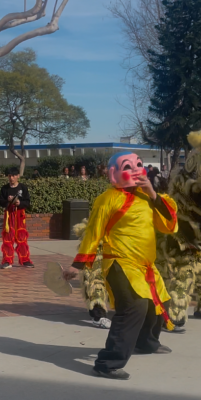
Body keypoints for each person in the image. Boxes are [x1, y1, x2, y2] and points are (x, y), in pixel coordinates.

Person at [63, 151, 178, 381]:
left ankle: (146, 343)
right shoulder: (108, 199)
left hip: (145, 265)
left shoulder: (147, 197)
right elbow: (94, 232)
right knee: (133, 307)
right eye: (128, 166)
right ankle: (107, 362)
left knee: (158, 303)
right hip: (119, 263)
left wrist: (153, 193)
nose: (136, 169)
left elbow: (169, 223)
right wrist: (79, 264)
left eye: (139, 164)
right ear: (114, 174)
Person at [0, 167, 34, 269]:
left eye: (13, 176)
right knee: (8, 239)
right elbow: (1, 202)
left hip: (20, 215)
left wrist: (19, 203)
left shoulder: (23, 188)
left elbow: (27, 202)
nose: (11, 178)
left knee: (22, 238)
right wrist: (8, 200)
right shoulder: (4, 188)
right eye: (9, 176)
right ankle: (7, 260)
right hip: (9, 215)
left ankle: (25, 260)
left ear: (18, 176)